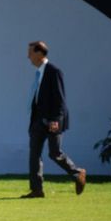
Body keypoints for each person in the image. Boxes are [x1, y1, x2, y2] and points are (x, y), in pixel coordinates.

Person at [24, 41, 85, 197]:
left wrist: (56, 120)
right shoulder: (39, 73)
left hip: (53, 120)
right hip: (38, 120)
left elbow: (60, 99)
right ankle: (37, 190)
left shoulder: (54, 71)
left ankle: (77, 173)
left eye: (30, 53)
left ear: (39, 54)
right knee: (34, 154)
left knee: (55, 153)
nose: (28, 56)